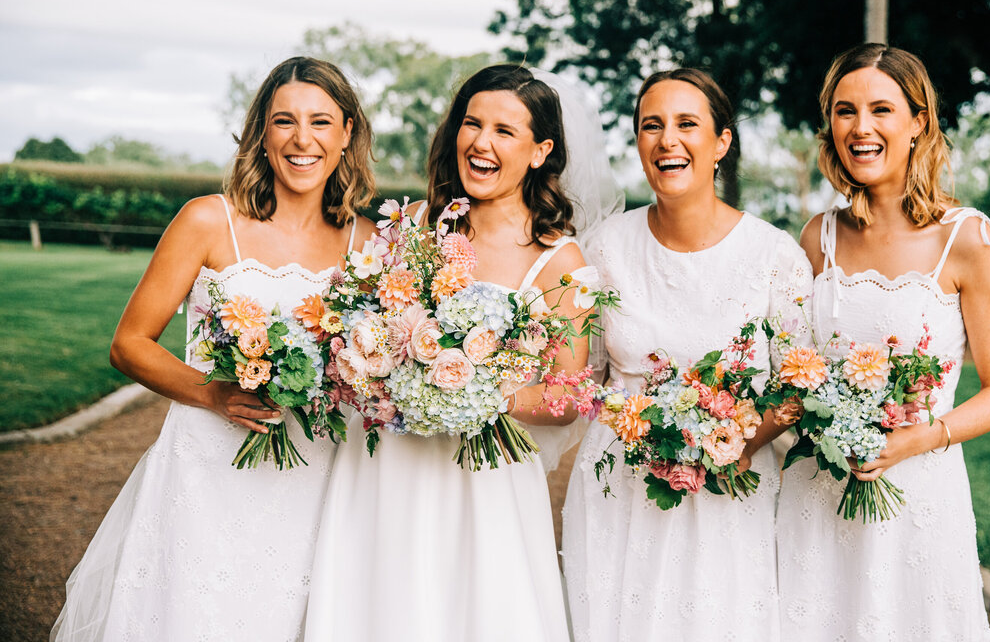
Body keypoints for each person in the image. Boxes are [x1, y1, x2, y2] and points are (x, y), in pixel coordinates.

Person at [51, 56, 376, 642]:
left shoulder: (371, 242)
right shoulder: (207, 220)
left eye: (321, 122)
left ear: (347, 133)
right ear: (261, 133)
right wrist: (215, 393)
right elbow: (129, 344)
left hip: (319, 469)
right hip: (209, 468)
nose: (303, 140)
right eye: (285, 122)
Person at [304, 64, 593, 641]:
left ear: (540, 151)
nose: (481, 143)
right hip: (386, 463)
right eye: (471, 123)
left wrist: (477, 391)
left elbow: (568, 396)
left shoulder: (560, 262)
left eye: (504, 131)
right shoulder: (410, 227)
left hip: (484, 480)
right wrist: (372, 359)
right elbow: (356, 330)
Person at [767, 43, 990, 640]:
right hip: (819, 492)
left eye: (882, 110)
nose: (861, 128)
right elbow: (793, 367)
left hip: (918, 495)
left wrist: (919, 439)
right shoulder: (817, 237)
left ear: (919, 122)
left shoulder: (968, 238)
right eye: (845, 110)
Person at [560, 69, 813, 642]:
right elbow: (584, 378)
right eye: (652, 126)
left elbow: (797, 383)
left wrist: (730, 444)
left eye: (686, 124)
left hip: (731, 489)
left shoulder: (776, 254)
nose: (667, 140)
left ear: (721, 142)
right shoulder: (604, 249)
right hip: (619, 486)